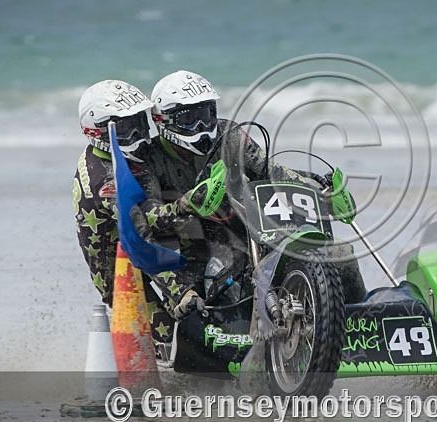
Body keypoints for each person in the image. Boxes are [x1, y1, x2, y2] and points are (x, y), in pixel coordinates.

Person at [147, 70, 367, 311]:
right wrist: (187, 204)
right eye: (189, 119)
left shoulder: (229, 135)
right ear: (162, 120)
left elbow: (271, 172)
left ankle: (360, 320)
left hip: (251, 231)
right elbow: (145, 221)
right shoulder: (150, 158)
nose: (202, 125)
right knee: (206, 298)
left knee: (342, 254)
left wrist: (322, 193)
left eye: (206, 115)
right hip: (193, 249)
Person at [73, 79, 180, 344]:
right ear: (98, 131)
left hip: (147, 244)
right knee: (173, 334)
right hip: (121, 275)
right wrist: (180, 292)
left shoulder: (118, 157)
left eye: (139, 123)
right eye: (125, 128)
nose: (138, 135)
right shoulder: (105, 181)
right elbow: (140, 237)